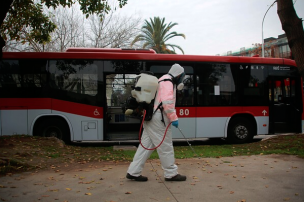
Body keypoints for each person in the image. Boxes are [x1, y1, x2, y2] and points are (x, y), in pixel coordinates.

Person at [126, 63, 186, 182]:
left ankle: (133, 172)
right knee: (166, 146)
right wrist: (173, 118)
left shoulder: (161, 80)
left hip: (151, 117)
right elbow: (167, 102)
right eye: (182, 76)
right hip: (158, 119)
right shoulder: (168, 82)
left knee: (146, 147)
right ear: (178, 75)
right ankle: (171, 173)